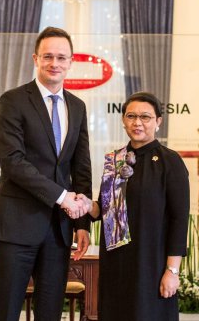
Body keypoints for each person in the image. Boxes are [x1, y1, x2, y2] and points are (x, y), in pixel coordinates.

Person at [0, 27, 92, 321]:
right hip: (17, 226)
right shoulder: (13, 100)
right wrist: (62, 197)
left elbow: (81, 168)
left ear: (71, 62)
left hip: (58, 231)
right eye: (48, 56)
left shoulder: (78, 107)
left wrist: (82, 223)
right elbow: (13, 162)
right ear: (35, 58)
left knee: (49, 313)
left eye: (61, 57)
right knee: (6, 311)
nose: (54, 63)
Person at [79, 92, 190, 321]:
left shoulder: (170, 161)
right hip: (116, 264)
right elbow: (104, 210)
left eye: (145, 117)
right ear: (123, 120)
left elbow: (179, 220)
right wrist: (88, 205)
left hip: (152, 263)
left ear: (158, 121)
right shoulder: (115, 160)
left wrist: (172, 271)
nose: (137, 122)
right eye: (131, 116)